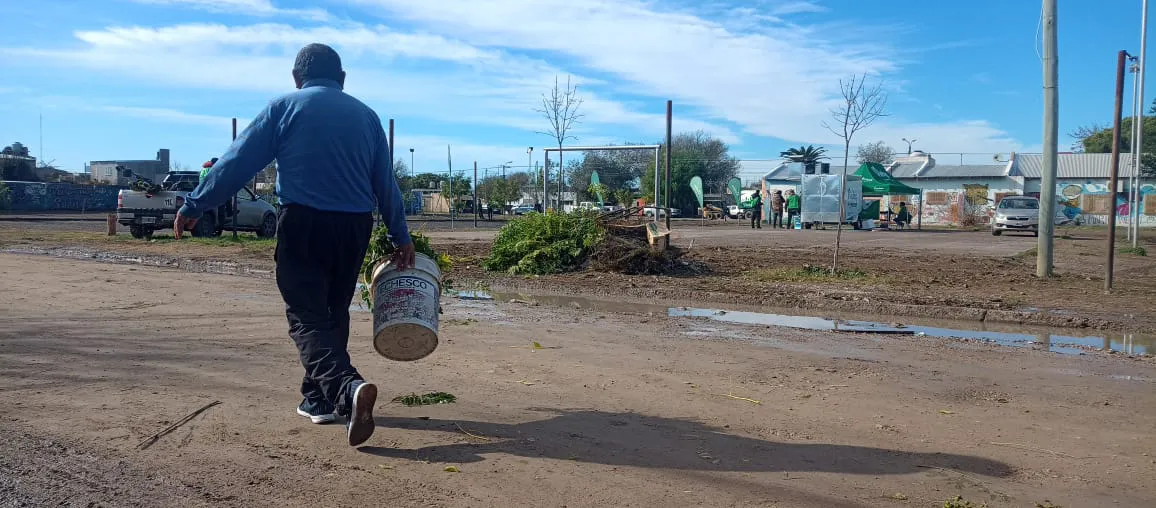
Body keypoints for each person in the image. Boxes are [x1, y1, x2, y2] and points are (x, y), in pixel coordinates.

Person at [174, 43, 415, 447]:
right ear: (342, 78)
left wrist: (197, 203)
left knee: (305, 316)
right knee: (332, 312)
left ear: (296, 78)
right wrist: (400, 235)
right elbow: (385, 183)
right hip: (354, 226)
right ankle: (317, 399)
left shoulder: (284, 107)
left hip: (305, 222)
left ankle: (346, 389)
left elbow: (237, 162)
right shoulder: (367, 117)